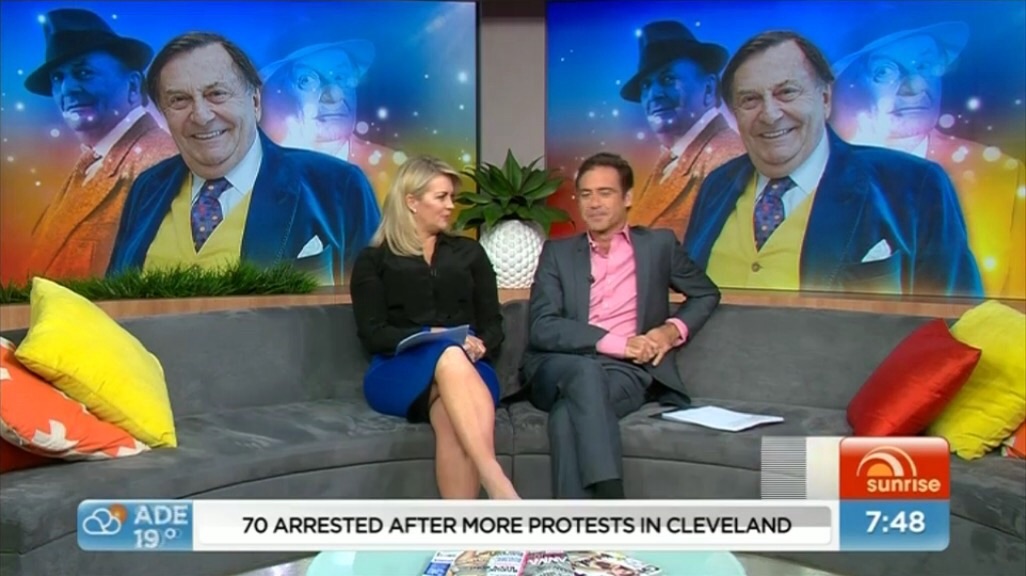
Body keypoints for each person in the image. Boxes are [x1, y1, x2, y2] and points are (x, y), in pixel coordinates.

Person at [682, 31, 982, 297]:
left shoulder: (915, 186)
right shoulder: (716, 186)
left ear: (825, 98)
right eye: (750, 100)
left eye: (787, 92)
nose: (770, 114)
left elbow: (958, 322)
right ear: (735, 113)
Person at [106, 32, 381, 286]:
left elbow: (374, 305)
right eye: (179, 100)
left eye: (217, 94)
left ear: (255, 101)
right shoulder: (147, 188)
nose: (201, 116)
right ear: (164, 114)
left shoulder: (339, 187)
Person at [522, 152, 720, 499]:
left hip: (625, 372)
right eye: (586, 194)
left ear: (627, 197)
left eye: (605, 193)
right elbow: (543, 326)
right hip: (558, 366)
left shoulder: (658, 246)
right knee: (584, 372)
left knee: (567, 416)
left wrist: (669, 331)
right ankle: (612, 498)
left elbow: (706, 293)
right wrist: (619, 343)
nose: (594, 203)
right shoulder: (557, 253)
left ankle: (574, 525)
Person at [349, 155, 518, 500]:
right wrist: (434, 336)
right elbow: (373, 334)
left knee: (453, 423)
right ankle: (497, 481)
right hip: (397, 371)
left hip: (470, 370)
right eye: (441, 197)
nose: (450, 206)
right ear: (412, 201)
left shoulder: (470, 253)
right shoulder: (374, 259)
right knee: (449, 352)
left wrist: (482, 344)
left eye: (451, 197)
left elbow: (493, 324)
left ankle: (462, 531)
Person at [829, 20, 1025, 299]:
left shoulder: (1001, 175)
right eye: (884, 71)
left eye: (924, 66)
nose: (916, 86)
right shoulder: (804, 172)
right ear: (837, 86)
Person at [24, 8, 177, 279]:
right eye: (58, 78)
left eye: (84, 72)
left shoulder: (160, 163)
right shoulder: (85, 168)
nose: (66, 90)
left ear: (133, 86)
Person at [620, 20, 745, 240]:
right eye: (646, 85)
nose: (653, 95)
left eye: (668, 79)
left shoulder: (727, 160)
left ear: (709, 89)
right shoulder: (669, 161)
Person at [259, 37, 404, 206]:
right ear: (282, 93)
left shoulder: (396, 174)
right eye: (307, 80)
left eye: (341, 77)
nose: (334, 97)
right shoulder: (261, 178)